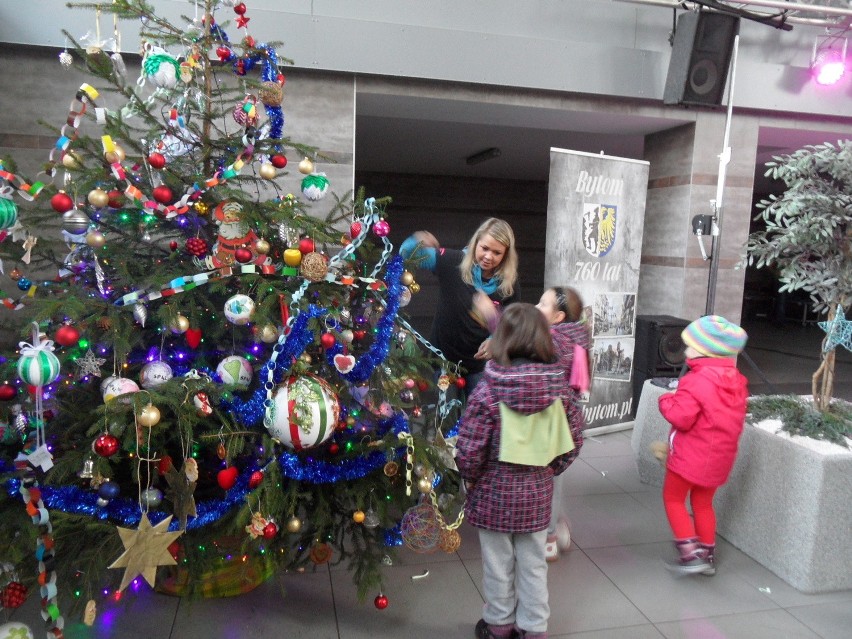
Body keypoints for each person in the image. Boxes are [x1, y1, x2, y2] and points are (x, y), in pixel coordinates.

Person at [456, 303, 578, 639]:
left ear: (501, 340)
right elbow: (572, 442)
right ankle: (534, 628)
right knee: (534, 565)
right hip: (537, 499)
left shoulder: (487, 392)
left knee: (498, 566)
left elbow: (470, 449)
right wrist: (551, 468)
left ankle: (499, 625)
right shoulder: (561, 393)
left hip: (493, 497)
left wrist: (468, 475)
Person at [657, 315, 749, 576]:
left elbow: (681, 417)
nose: (685, 350)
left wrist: (665, 399)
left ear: (704, 350)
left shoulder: (695, 381)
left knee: (673, 499)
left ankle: (690, 554)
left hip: (689, 457)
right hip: (720, 457)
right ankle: (707, 555)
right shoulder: (737, 381)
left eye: (689, 345)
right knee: (703, 503)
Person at [399, 218, 519, 390]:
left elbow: (512, 322)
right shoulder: (453, 260)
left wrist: (494, 340)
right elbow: (407, 254)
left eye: (497, 252)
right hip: (444, 361)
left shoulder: (509, 283)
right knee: (444, 415)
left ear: (506, 254)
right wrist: (416, 241)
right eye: (484, 248)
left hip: (479, 365)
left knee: (478, 415)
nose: (488, 256)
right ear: (476, 243)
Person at [535, 286, 591, 562]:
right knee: (554, 478)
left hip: (550, 421)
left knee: (547, 479)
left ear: (557, 317)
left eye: (542, 304)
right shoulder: (577, 338)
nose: (536, 307)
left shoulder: (553, 340)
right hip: (566, 421)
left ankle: (547, 538)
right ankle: (554, 531)